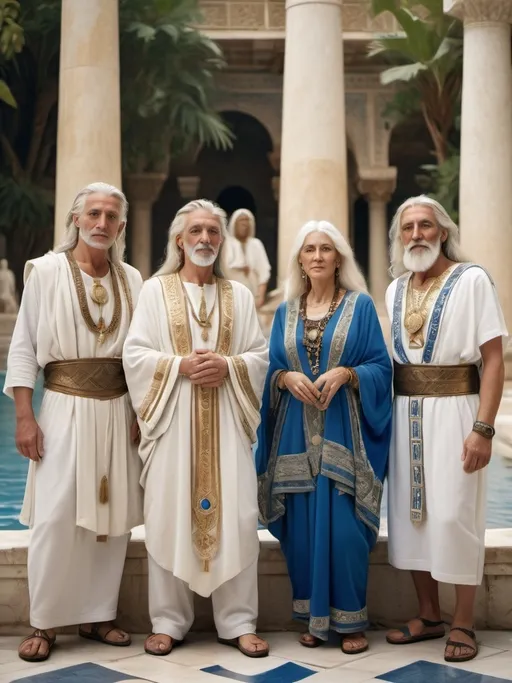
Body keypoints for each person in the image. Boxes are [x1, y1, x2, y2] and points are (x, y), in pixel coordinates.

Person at [123, 199, 270, 658]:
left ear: (221, 241)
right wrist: (179, 365)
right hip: (173, 426)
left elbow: (260, 357)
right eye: (196, 232)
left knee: (239, 516)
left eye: (213, 231)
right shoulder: (154, 291)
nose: (205, 239)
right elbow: (135, 354)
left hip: (227, 424)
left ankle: (239, 620)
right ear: (179, 241)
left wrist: (228, 366)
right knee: (168, 514)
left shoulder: (240, 296)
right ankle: (167, 620)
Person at [4, 182, 144, 663]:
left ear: (121, 227)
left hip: (118, 408)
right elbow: (23, 347)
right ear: (76, 219)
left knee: (111, 518)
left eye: (111, 217)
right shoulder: (44, 272)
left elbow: (141, 356)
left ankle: (98, 614)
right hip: (62, 405)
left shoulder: (134, 279)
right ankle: (43, 622)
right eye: (94, 214)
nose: (102, 223)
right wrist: (25, 416)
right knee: (56, 516)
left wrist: (141, 413)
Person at [256, 220, 392, 654]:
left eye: (326, 249)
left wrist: (348, 373)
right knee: (300, 530)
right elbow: (270, 369)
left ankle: (351, 620)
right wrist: (285, 377)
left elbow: (382, 368)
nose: (317, 256)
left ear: (339, 258)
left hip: (343, 439)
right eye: (310, 249)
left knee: (346, 529)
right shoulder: (285, 312)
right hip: (295, 439)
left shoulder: (361, 307)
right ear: (299, 258)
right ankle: (313, 618)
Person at [385, 196, 507, 663]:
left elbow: (493, 359)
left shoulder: (472, 279)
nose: (416, 234)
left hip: (458, 410)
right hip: (406, 414)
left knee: (456, 515)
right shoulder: (395, 290)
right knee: (411, 512)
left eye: (425, 226)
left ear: (443, 232)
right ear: (400, 238)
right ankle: (430, 614)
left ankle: (464, 622)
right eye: (408, 227)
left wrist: (483, 428)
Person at [226, 208, 271, 310]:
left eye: (247, 221)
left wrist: (261, 295)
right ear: (234, 224)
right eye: (241, 221)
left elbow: (264, 272)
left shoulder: (256, 244)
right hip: (231, 298)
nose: (244, 225)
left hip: (253, 296)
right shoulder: (227, 245)